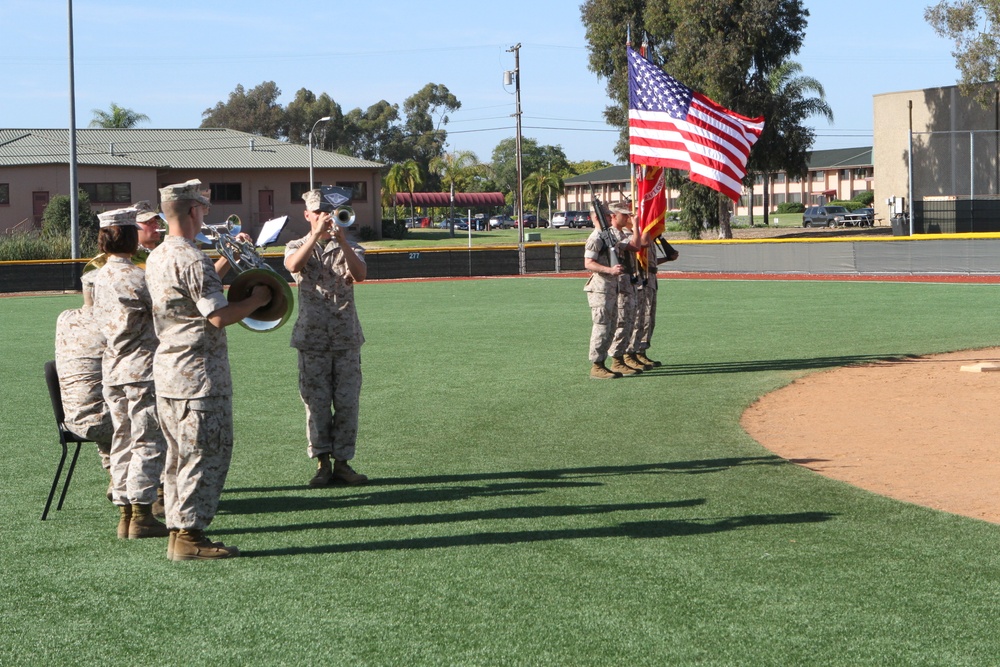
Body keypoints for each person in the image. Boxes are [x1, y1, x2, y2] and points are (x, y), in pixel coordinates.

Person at [145, 179, 271, 561]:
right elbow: (217, 316)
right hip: (198, 375)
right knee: (205, 453)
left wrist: (224, 267)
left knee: (178, 455)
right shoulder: (193, 259)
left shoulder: (158, 256)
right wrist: (258, 299)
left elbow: (193, 295)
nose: (205, 215)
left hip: (169, 372)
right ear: (194, 211)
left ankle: (177, 530)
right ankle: (189, 536)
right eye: (203, 208)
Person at [91, 207, 168, 539]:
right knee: (148, 441)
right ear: (131, 236)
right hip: (142, 369)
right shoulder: (137, 276)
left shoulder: (99, 276)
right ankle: (141, 515)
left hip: (113, 369)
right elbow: (170, 308)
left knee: (122, 440)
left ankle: (125, 515)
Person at [284, 186, 368, 487]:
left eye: (326, 212)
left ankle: (343, 463)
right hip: (312, 339)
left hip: (346, 338)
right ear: (307, 215)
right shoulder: (295, 245)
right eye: (317, 212)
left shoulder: (351, 245)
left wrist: (342, 241)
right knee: (316, 405)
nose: (323, 217)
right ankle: (322, 464)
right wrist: (314, 236)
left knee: (347, 404)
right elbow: (293, 266)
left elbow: (360, 274)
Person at [55, 270, 113, 490]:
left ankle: (116, 476)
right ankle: (155, 488)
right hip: (108, 419)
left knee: (100, 393)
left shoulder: (65, 318)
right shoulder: (112, 324)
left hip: (72, 419)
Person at [583, 202, 642, 379]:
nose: (611, 217)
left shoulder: (609, 236)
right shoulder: (596, 238)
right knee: (601, 327)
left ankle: (610, 362)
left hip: (612, 288)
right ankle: (597, 365)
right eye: (607, 215)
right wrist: (610, 270)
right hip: (600, 289)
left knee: (612, 325)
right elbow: (588, 263)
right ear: (596, 218)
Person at [630, 237, 679, 368]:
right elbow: (635, 260)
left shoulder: (651, 239)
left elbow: (650, 262)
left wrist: (668, 258)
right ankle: (631, 353)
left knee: (648, 319)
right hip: (640, 281)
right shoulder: (636, 238)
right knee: (638, 319)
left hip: (650, 280)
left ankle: (641, 351)